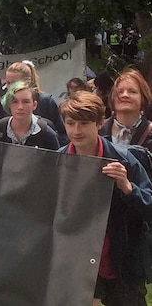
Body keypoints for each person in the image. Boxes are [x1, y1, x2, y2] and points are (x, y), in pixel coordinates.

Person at [58, 91, 152, 306]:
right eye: (70, 123)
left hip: (122, 267)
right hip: (77, 269)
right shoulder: (57, 162)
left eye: (84, 123)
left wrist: (128, 188)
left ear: (100, 123)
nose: (76, 131)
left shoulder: (125, 160)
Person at [0, 61, 68, 146]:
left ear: (34, 105)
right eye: (8, 83)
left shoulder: (46, 101)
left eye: (15, 83)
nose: (10, 87)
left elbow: (63, 134)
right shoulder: (2, 103)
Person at [0, 81, 60, 150]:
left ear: (34, 105)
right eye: (15, 102)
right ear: (9, 104)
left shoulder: (47, 134)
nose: (20, 107)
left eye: (26, 102)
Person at [99, 69, 152, 149]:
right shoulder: (98, 131)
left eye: (132, 91)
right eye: (120, 92)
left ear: (143, 97)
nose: (125, 95)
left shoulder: (150, 132)